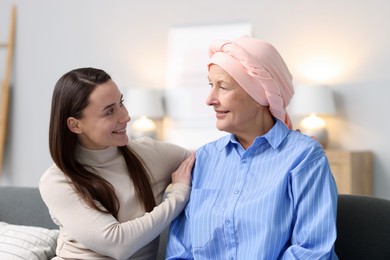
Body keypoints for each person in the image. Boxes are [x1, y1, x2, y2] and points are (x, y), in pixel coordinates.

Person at [166, 35, 338, 259]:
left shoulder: (303, 157)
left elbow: (313, 251)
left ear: (261, 95)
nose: (210, 99)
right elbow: (180, 251)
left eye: (223, 87)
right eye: (211, 85)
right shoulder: (205, 158)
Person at [39, 67, 195, 260]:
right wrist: (178, 195)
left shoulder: (149, 154)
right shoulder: (57, 181)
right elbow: (118, 244)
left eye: (121, 103)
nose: (125, 116)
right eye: (110, 112)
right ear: (75, 125)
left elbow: (210, 160)